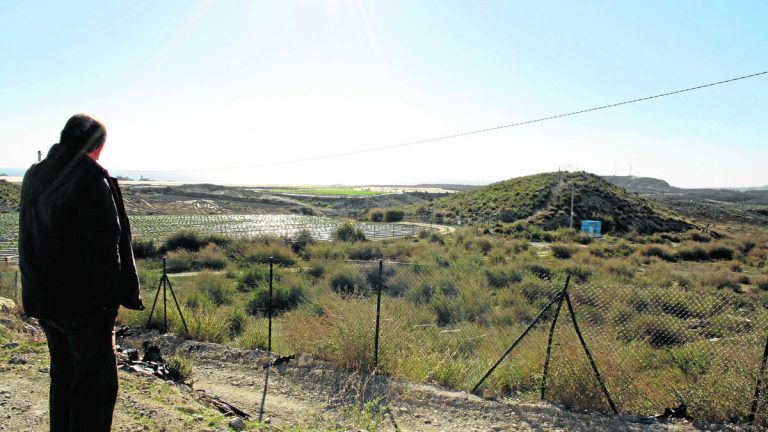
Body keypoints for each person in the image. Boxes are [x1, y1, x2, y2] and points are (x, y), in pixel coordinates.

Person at [19, 114, 144, 432]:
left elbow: (29, 236)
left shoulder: (34, 175)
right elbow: (106, 249)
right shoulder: (90, 181)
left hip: (45, 300)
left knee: (63, 380)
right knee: (93, 391)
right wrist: (108, 305)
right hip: (84, 307)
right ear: (97, 146)